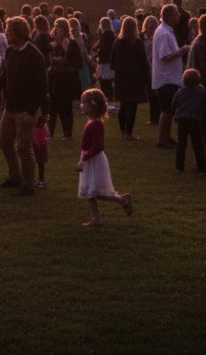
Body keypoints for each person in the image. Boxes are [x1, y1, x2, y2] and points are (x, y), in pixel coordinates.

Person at [0, 15, 49, 196]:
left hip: (26, 109)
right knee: (4, 143)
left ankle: (28, 185)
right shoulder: (11, 51)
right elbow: (6, 76)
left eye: (10, 31)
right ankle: (15, 177)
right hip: (10, 107)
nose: (7, 34)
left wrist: (32, 112)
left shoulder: (34, 55)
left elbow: (41, 87)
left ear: (19, 32)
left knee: (24, 148)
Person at [76, 88, 133, 227]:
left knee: (93, 191)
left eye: (84, 103)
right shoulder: (91, 122)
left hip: (93, 160)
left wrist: (84, 159)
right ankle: (97, 218)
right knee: (90, 191)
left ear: (93, 104)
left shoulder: (95, 124)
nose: (81, 106)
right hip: (89, 157)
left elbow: (99, 146)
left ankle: (122, 200)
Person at [152, 4, 190, 148]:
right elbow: (165, 56)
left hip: (170, 77)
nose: (179, 16)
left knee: (169, 109)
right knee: (167, 110)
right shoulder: (164, 33)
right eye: (176, 14)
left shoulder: (166, 31)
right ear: (168, 17)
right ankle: (162, 139)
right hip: (166, 78)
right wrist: (183, 50)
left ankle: (167, 136)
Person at [110, 16, 149, 140]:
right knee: (132, 105)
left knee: (123, 104)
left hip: (121, 77)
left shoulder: (117, 42)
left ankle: (123, 132)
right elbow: (144, 62)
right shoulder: (137, 43)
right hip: (135, 78)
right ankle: (129, 133)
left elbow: (112, 61)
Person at [46, 17, 84, 140]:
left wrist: (64, 62)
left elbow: (78, 63)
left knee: (65, 107)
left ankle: (67, 133)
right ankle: (49, 133)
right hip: (54, 78)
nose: (58, 31)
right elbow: (48, 59)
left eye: (60, 28)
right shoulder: (51, 44)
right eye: (56, 28)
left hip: (66, 80)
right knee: (52, 108)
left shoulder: (71, 43)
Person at [171, 68, 206, 174]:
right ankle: (201, 167)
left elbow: (174, 103)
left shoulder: (180, 91)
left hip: (182, 119)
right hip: (195, 119)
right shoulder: (201, 91)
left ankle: (179, 167)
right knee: (197, 144)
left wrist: (175, 113)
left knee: (181, 143)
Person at [94, 17, 116, 99]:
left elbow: (102, 48)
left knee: (105, 80)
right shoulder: (112, 35)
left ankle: (108, 96)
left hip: (105, 61)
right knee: (108, 80)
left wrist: (97, 53)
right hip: (110, 61)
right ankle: (109, 96)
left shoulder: (106, 36)